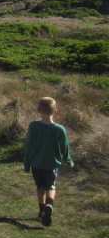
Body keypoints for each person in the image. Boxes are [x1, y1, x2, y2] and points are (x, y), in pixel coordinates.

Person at [23, 97, 74, 227]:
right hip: (52, 164)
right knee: (50, 186)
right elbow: (64, 147)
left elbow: (28, 145)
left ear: (39, 110)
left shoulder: (33, 126)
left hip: (36, 163)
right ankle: (49, 204)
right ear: (56, 111)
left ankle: (41, 211)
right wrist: (68, 159)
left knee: (40, 187)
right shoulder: (59, 129)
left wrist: (27, 162)